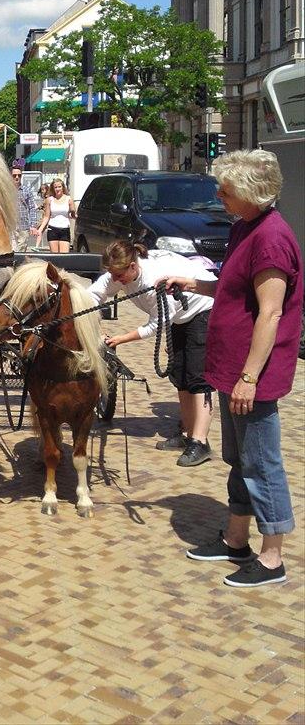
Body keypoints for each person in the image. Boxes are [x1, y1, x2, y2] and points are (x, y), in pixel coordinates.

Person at [162, 149, 302, 588]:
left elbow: (270, 313)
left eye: (226, 190)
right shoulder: (245, 226)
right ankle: (235, 539)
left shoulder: (272, 239)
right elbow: (231, 285)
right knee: (238, 459)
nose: (219, 196)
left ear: (252, 192)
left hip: (251, 375)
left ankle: (273, 557)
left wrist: (249, 377)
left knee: (262, 463)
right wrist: (192, 282)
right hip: (231, 367)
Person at [88, 240, 217, 467]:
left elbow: (158, 324)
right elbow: (94, 295)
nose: (116, 280)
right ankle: (187, 433)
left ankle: (200, 442)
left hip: (203, 308)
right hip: (180, 316)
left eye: (120, 275)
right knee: (179, 374)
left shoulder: (152, 280)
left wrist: (121, 338)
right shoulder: (119, 273)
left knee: (197, 377)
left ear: (133, 266)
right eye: (113, 275)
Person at [35, 178, 76, 253]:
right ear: (53, 189)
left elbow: (72, 214)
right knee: (55, 256)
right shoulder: (49, 200)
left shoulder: (69, 199)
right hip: (52, 229)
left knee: (64, 256)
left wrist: (73, 214)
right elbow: (46, 217)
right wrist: (40, 229)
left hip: (65, 229)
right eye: (55, 187)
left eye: (59, 187)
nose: (57, 189)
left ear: (63, 187)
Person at [11, 166, 38, 252]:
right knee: (10, 251)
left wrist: (33, 226)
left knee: (21, 251)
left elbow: (32, 208)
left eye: (19, 175)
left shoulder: (26, 190)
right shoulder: (6, 190)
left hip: (23, 226)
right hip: (10, 226)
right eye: (14, 175)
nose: (17, 177)